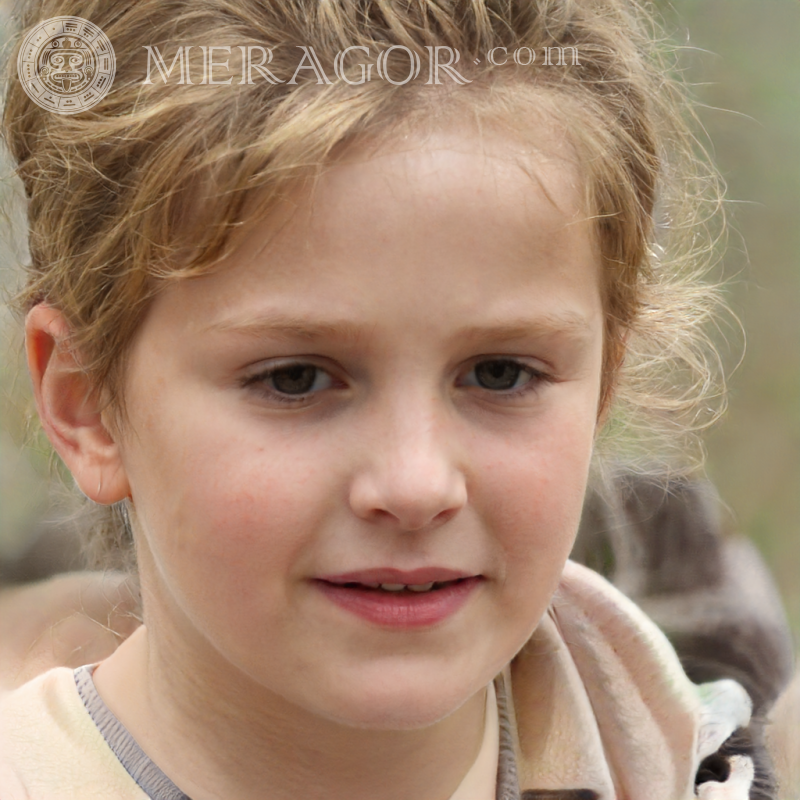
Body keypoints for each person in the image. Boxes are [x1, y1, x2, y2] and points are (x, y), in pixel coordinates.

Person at [0, 0, 782, 798]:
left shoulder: (690, 763)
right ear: (87, 403)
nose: (415, 486)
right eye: (295, 379)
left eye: (499, 374)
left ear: (602, 383)